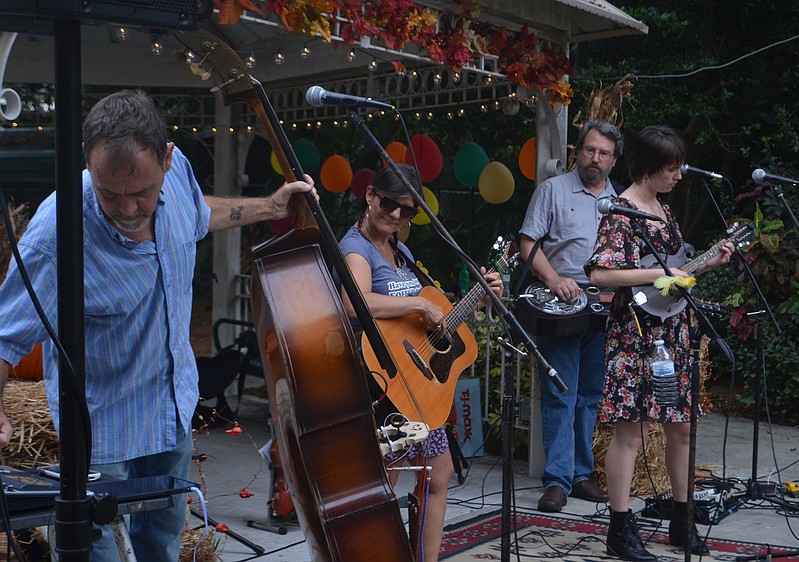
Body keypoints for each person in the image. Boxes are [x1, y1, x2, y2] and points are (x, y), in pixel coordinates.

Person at [0, 90, 315, 561]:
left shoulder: (179, 170)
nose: (128, 209)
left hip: (170, 412)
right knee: (97, 554)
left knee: (163, 545)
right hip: (101, 430)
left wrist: (270, 206)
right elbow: (5, 336)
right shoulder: (56, 233)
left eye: (142, 193)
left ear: (167, 160)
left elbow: (196, 214)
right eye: (110, 194)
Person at [338, 163, 502, 562]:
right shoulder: (355, 247)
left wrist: (476, 300)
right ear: (371, 195)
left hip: (417, 388)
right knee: (384, 485)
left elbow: (428, 322)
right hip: (383, 388)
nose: (395, 215)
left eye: (407, 211)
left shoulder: (400, 251)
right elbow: (353, 302)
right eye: (390, 203)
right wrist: (417, 303)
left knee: (437, 475)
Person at [585, 125, 733, 561]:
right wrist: (655, 275)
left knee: (682, 427)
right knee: (632, 431)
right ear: (649, 168)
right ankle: (619, 527)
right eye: (671, 169)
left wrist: (704, 265)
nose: (679, 176)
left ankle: (682, 522)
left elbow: (672, 277)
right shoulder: (621, 210)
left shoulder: (664, 212)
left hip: (673, 331)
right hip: (634, 333)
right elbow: (600, 274)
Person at [519, 119, 623, 512]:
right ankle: (557, 480)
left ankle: (580, 475)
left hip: (607, 308)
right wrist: (553, 277)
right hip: (561, 306)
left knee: (590, 395)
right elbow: (527, 241)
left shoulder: (620, 200)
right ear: (578, 151)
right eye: (590, 150)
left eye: (604, 153)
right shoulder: (554, 190)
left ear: (614, 160)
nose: (595, 158)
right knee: (561, 393)